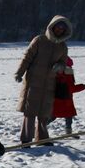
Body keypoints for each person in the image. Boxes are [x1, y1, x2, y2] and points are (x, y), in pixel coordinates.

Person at [15, 15, 71, 145]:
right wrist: (19, 72)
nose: (60, 29)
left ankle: (42, 138)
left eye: (62, 28)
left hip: (50, 84)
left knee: (44, 113)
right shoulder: (39, 40)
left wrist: (60, 66)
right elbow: (27, 58)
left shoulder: (62, 47)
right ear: (52, 26)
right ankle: (26, 139)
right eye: (58, 26)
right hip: (33, 83)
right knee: (30, 112)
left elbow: (64, 62)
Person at [52, 56, 85, 135]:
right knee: (68, 116)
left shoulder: (54, 74)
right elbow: (71, 88)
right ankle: (68, 132)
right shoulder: (67, 75)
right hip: (66, 101)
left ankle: (39, 128)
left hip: (56, 100)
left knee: (53, 115)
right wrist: (82, 86)